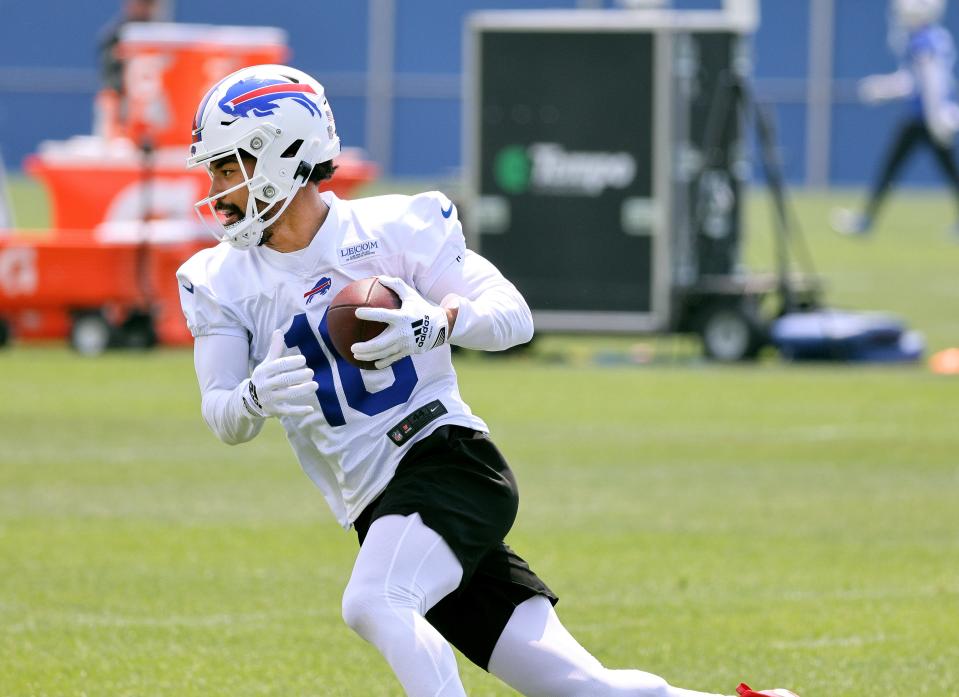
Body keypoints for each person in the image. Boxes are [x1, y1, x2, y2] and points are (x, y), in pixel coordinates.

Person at [176, 63, 800, 697]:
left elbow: (515, 316)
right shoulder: (221, 279)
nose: (217, 189)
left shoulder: (390, 229)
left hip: (445, 461)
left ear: (283, 154)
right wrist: (252, 397)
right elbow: (222, 412)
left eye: (228, 167)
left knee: (374, 602)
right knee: (583, 688)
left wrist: (438, 324)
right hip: (380, 506)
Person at [832, 0, 959, 237]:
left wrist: (937, 116)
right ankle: (866, 219)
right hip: (925, 117)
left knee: (896, 167)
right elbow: (917, 80)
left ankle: (865, 220)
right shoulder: (936, 37)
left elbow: (931, 83)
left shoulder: (924, 40)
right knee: (906, 168)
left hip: (926, 118)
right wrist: (885, 88)